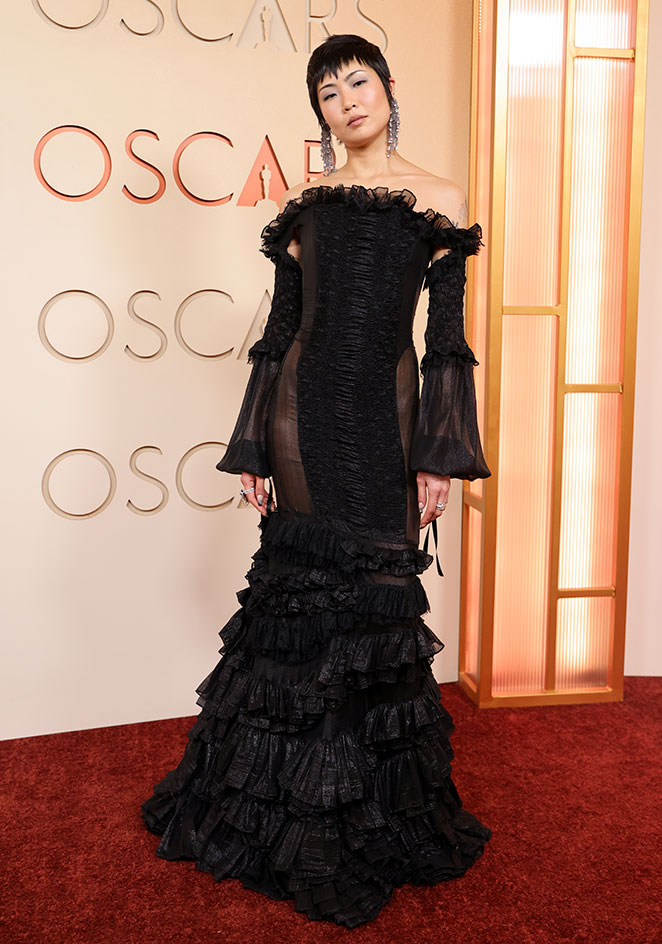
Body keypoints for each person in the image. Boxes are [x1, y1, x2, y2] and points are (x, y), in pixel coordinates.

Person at [141, 33, 492, 929]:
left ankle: (366, 808)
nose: (346, 100)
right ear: (321, 113)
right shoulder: (302, 198)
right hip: (301, 412)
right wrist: (256, 441)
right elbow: (282, 330)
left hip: (388, 416)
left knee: (374, 602)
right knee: (297, 601)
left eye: (358, 82)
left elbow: (444, 341)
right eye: (328, 92)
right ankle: (287, 812)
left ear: (386, 87)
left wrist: (438, 454)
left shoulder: (443, 197)